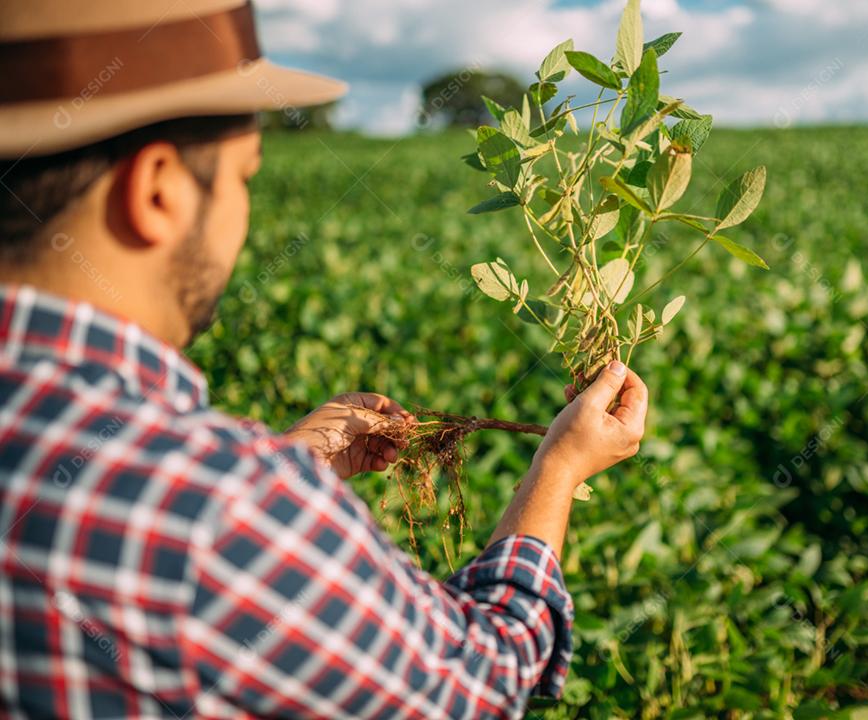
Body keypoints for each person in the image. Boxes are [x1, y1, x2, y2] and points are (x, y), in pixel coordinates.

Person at [0, 1, 649, 718]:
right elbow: (483, 683)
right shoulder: (215, 508)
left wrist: (293, 464)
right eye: (245, 176)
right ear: (157, 191)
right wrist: (558, 469)